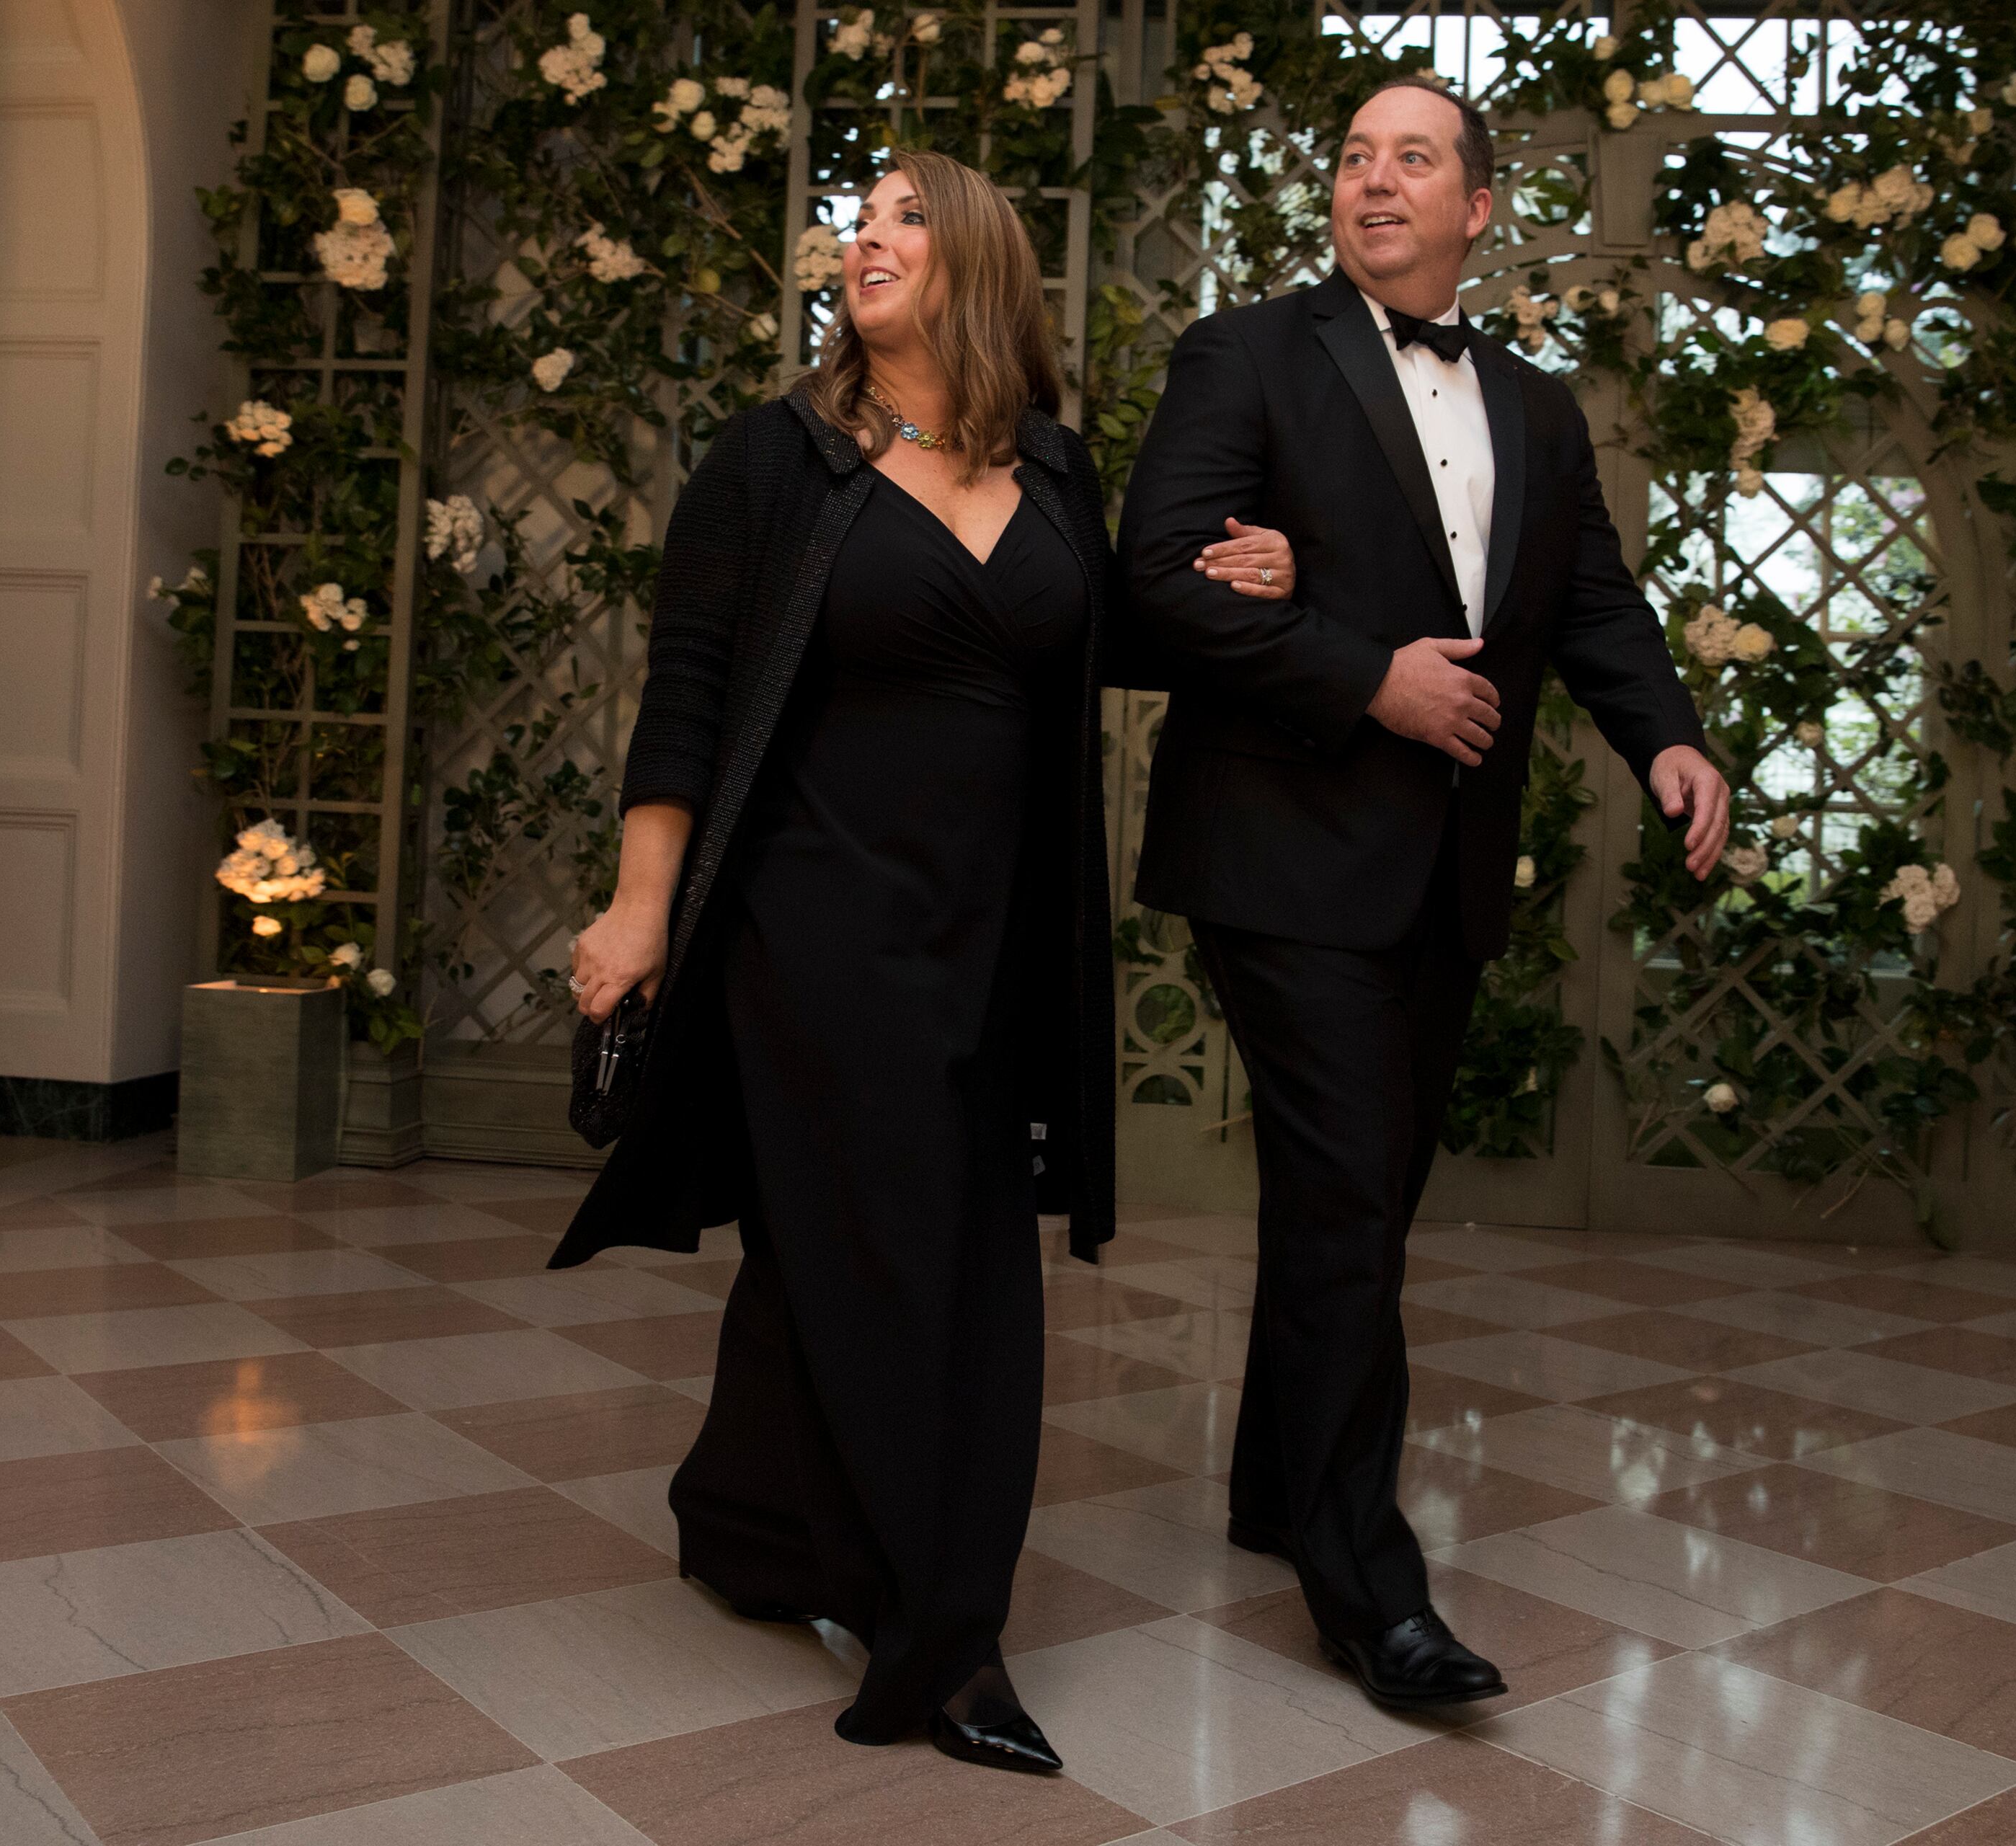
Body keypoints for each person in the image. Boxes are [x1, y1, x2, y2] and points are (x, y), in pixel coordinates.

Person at [552, 148, 1302, 1772]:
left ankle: (751, 1523)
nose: (865, 239)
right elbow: (687, 695)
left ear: (975, 263)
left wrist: (1249, 581)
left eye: (905, 218)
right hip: (810, 929)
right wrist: (639, 906)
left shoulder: (1054, 471)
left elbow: (1097, 640)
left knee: (855, 1249)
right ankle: (941, 1640)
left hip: (998, 941)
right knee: (929, 1276)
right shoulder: (777, 462)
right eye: (857, 221)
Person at [1114, 76, 1731, 1709]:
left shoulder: (1534, 406)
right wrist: (1360, 679)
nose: (1376, 182)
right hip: (1278, 847)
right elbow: (1159, 573)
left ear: (1475, 210)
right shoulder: (1245, 354)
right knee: (1344, 1205)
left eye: (1415, 160)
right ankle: (1369, 1594)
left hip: (1443, 868)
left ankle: (1269, 1487)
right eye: (1353, 159)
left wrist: (1668, 739)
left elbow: (1593, 601)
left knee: (1361, 1202)